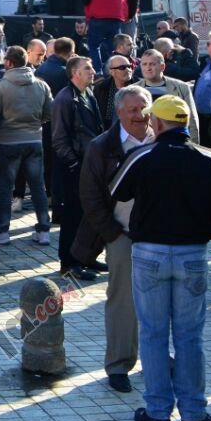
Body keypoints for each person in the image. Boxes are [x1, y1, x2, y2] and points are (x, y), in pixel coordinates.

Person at [110, 94, 211, 421]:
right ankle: (194, 416)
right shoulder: (210, 159)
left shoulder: (143, 156)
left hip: (150, 252)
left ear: (159, 123)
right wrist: (203, 233)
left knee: (153, 335)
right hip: (192, 253)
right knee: (189, 337)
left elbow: (117, 193)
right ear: (184, 124)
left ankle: (158, 412)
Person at [74, 85, 153, 395]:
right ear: (119, 112)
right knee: (122, 303)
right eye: (132, 110)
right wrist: (113, 235)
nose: (139, 116)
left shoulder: (162, 138)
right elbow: (90, 195)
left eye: (144, 109)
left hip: (162, 238)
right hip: (123, 235)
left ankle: (159, 359)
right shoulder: (102, 146)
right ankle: (120, 365)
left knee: (162, 303)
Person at [0, 45, 53, 246]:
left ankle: (2, 231)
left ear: (8, 62)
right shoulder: (41, 85)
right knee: (38, 186)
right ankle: (44, 229)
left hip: (8, 140)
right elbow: (48, 113)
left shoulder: (0, 86)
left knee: (4, 186)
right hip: (34, 139)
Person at [52, 54, 103, 280]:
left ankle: (86, 257)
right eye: (88, 68)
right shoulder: (65, 99)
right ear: (75, 73)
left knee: (89, 214)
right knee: (72, 215)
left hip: (90, 164)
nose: (93, 71)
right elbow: (59, 138)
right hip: (75, 167)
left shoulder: (88, 93)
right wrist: (73, 164)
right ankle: (69, 263)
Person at [83, 0, 139, 67]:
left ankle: (98, 72)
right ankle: (113, 70)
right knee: (112, 48)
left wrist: (87, 7)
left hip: (97, 17)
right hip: (116, 19)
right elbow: (134, 0)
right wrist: (129, 16)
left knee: (94, 46)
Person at [137, 50, 200, 130]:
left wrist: (191, 142)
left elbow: (191, 119)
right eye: (144, 64)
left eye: (152, 64)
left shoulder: (182, 88)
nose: (148, 68)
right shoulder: (133, 90)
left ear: (162, 67)